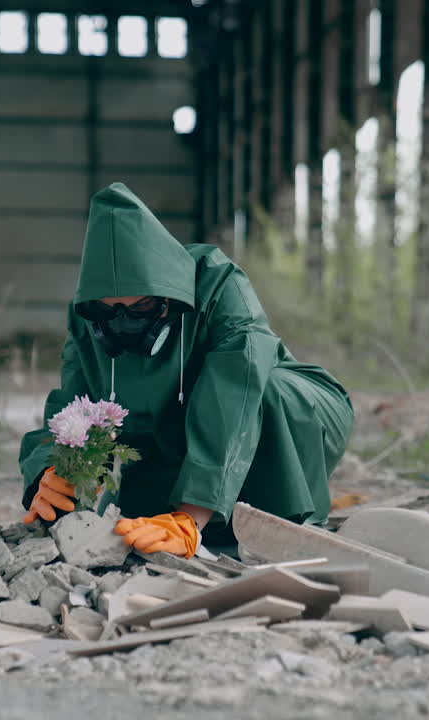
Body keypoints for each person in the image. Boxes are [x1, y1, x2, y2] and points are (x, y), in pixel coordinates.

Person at [18, 182, 354, 558]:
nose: (123, 322)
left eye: (141, 308)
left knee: (268, 391)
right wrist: (53, 473)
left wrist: (190, 518)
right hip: (174, 430)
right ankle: (197, 513)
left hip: (281, 413)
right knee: (135, 521)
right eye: (109, 312)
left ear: (167, 297)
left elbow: (236, 387)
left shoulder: (218, 284)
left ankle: (275, 522)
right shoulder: (85, 318)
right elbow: (74, 410)